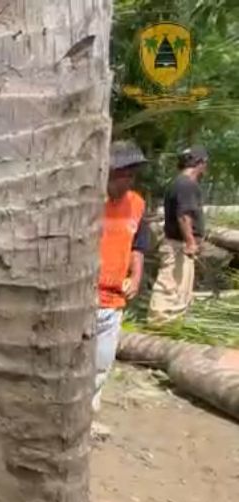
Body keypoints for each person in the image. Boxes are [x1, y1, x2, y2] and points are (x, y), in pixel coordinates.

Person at [94, 141, 150, 414]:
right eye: (121, 174)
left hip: (114, 300)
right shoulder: (87, 204)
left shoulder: (137, 205)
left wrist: (136, 277)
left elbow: (139, 246)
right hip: (82, 299)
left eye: (131, 174)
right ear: (106, 172)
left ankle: (88, 415)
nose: (127, 180)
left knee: (101, 364)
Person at [148, 145, 209, 324]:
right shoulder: (186, 184)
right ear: (200, 163)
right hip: (178, 246)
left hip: (179, 245)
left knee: (180, 288)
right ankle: (158, 323)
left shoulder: (180, 183)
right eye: (205, 163)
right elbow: (184, 215)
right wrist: (190, 242)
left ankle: (171, 323)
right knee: (169, 286)